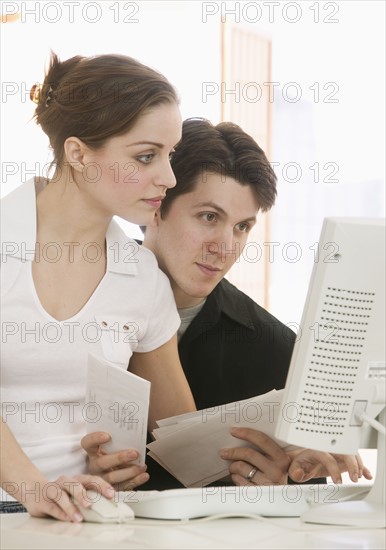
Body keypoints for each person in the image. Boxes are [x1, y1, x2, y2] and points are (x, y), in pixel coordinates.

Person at [82, 118, 371, 489]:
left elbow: (299, 504)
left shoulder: (277, 351)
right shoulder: (74, 303)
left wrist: (279, 489)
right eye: (209, 217)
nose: (226, 247)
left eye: (242, 227)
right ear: (156, 206)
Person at [0, 52, 196, 520]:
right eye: (145, 156)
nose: (168, 178)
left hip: (86, 518)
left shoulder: (142, 279)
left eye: (171, 156)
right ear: (78, 153)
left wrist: (284, 454)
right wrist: (36, 490)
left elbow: (183, 436)